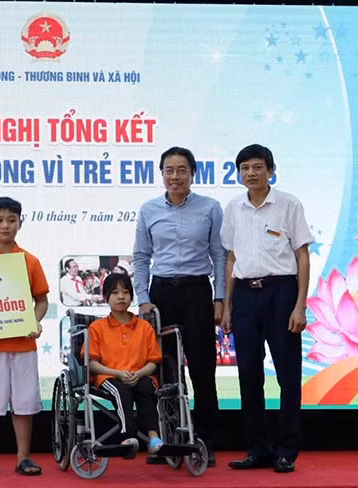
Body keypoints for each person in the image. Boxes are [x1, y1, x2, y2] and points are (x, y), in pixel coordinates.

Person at [220, 144, 313, 474]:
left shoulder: (288, 204)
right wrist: (227, 306)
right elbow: (231, 258)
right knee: (248, 375)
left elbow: (302, 255)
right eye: (245, 168)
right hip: (245, 295)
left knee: (288, 375)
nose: (251, 173)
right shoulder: (233, 208)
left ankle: (286, 450)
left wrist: (300, 305)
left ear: (271, 171)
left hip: (281, 292)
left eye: (257, 167)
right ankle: (257, 448)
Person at [133, 146, 225, 466]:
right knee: (165, 372)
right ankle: (169, 442)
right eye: (169, 170)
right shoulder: (149, 210)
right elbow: (141, 257)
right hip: (161, 294)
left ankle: (205, 442)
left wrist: (220, 298)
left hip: (197, 292)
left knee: (203, 369)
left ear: (193, 173)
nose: (175, 176)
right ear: (161, 174)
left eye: (182, 170)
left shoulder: (210, 208)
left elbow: (219, 256)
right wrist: (143, 299)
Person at [0, 197, 49, 477]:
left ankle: (23, 457)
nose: (5, 225)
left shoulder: (30, 261)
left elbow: (41, 300)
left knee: (24, 404)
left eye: (11, 220)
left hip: (23, 344)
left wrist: (35, 321)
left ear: (20, 223)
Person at [84, 273, 164, 457]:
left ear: (131, 296)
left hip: (140, 374)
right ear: (106, 297)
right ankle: (128, 437)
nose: (121, 297)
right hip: (108, 377)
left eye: (126, 292)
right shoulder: (96, 327)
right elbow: (92, 364)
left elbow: (153, 362)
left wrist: (139, 373)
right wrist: (118, 373)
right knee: (121, 390)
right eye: (115, 293)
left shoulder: (144, 327)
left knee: (146, 388)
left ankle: (154, 439)